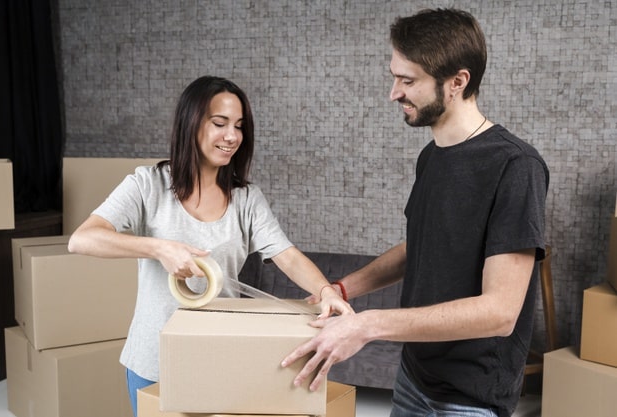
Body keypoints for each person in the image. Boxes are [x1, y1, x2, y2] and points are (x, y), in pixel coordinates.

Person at [281, 8, 549, 417]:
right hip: (413, 376)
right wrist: (343, 289)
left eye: (408, 81)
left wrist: (368, 326)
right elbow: (421, 244)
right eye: (395, 77)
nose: (394, 92)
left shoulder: (515, 166)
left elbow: (499, 312)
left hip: (469, 399)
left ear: (457, 82)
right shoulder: (432, 156)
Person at [67, 75, 353, 417]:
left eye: (239, 126)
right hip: (153, 359)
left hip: (219, 357)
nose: (232, 136)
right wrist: (160, 249)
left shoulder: (246, 199)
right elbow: (82, 239)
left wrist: (325, 291)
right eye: (220, 123)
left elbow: (286, 255)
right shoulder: (147, 185)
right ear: (191, 123)